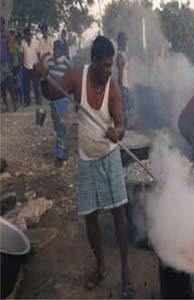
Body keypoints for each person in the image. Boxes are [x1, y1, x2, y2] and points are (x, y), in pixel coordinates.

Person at [37, 36, 133, 298]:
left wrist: (118, 131)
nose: (108, 70)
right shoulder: (77, 76)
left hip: (109, 156)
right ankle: (101, 267)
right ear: (93, 62)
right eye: (104, 65)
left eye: (111, 66)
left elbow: (122, 123)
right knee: (90, 215)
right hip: (87, 158)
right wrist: (44, 77)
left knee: (119, 214)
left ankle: (125, 273)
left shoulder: (112, 88)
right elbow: (52, 92)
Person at [43, 40, 72, 167]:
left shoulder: (67, 63)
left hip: (62, 100)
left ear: (62, 49)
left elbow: (72, 79)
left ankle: (61, 156)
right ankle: (61, 151)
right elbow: (45, 76)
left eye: (58, 48)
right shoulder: (49, 62)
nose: (56, 50)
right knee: (57, 127)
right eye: (55, 48)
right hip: (53, 101)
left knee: (62, 127)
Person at [0, 17, 17, 112]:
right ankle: (6, 106)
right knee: (1, 87)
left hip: (6, 64)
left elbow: (12, 51)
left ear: (3, 24)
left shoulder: (7, 36)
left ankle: (14, 104)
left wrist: (11, 65)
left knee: (10, 85)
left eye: (1, 23)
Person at [21, 27, 41, 106]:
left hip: (35, 67)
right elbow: (22, 54)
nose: (26, 37)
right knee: (26, 86)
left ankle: (38, 100)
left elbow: (39, 54)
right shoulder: (23, 42)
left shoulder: (36, 42)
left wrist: (39, 65)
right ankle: (27, 101)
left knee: (36, 85)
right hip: (26, 67)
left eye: (27, 35)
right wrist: (22, 64)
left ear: (30, 35)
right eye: (25, 35)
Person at [116, 32, 130, 126]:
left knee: (125, 106)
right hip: (123, 85)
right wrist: (120, 86)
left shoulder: (123, 54)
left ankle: (123, 123)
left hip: (125, 84)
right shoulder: (120, 55)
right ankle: (122, 124)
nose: (126, 43)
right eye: (124, 41)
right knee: (123, 106)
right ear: (121, 42)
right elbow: (120, 72)